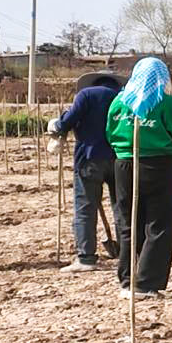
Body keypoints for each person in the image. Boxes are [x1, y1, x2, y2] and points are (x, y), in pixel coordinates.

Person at [105, 57, 172, 297]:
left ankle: (127, 280)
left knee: (129, 222)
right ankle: (145, 283)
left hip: (124, 165)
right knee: (159, 224)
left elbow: (110, 133)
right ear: (161, 78)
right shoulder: (165, 104)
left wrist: (122, 151)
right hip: (160, 166)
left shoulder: (119, 102)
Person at [49, 72, 121, 272]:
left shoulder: (87, 94)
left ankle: (86, 258)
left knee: (85, 209)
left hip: (89, 159)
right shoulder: (123, 96)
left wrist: (59, 122)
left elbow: (68, 122)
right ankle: (128, 253)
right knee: (121, 207)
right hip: (120, 158)